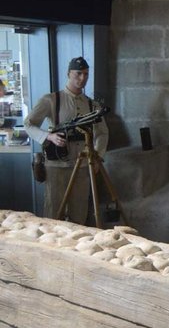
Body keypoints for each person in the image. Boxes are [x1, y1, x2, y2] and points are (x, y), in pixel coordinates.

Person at [24, 57, 109, 225]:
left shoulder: (92, 105)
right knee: (53, 213)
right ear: (68, 73)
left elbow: (102, 133)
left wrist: (97, 156)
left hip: (83, 165)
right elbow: (28, 124)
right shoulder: (51, 100)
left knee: (79, 213)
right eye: (78, 73)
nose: (82, 78)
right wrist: (48, 136)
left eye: (86, 74)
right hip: (57, 166)